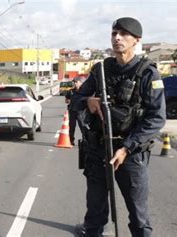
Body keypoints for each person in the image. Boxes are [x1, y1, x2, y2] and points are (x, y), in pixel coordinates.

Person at [74, 17, 166, 236]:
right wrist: (88, 101)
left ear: (136, 40)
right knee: (95, 212)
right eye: (114, 33)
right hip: (98, 149)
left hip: (130, 154)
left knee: (138, 214)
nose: (117, 38)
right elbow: (77, 99)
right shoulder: (101, 70)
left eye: (124, 34)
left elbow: (156, 118)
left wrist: (126, 148)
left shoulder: (148, 73)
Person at [64, 76, 84, 146]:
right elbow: (66, 100)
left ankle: (85, 140)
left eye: (76, 82)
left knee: (82, 126)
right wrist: (68, 101)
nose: (75, 83)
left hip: (81, 112)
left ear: (81, 82)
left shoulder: (85, 91)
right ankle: (71, 140)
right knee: (72, 127)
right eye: (74, 82)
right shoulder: (71, 91)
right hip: (72, 111)